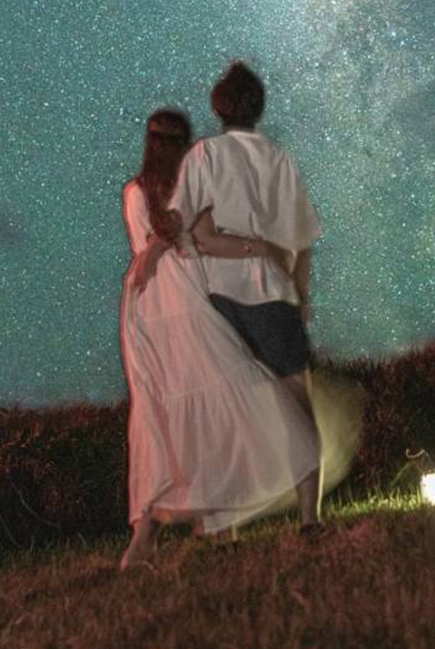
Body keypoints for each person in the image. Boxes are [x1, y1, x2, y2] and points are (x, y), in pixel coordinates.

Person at [118, 107, 321, 569]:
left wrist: (154, 250)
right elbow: (199, 239)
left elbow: (154, 241)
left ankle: (155, 535)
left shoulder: (133, 192)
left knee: (160, 410)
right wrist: (259, 248)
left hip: (144, 306)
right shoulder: (191, 187)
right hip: (184, 298)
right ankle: (230, 515)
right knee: (222, 396)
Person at [168, 60, 324, 532]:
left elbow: (182, 223)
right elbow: (302, 241)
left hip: (220, 294)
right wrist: (301, 299)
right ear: (259, 107)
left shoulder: (204, 155)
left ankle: (226, 525)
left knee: (224, 413)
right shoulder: (279, 158)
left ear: (219, 108)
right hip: (274, 293)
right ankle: (310, 516)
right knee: (297, 404)